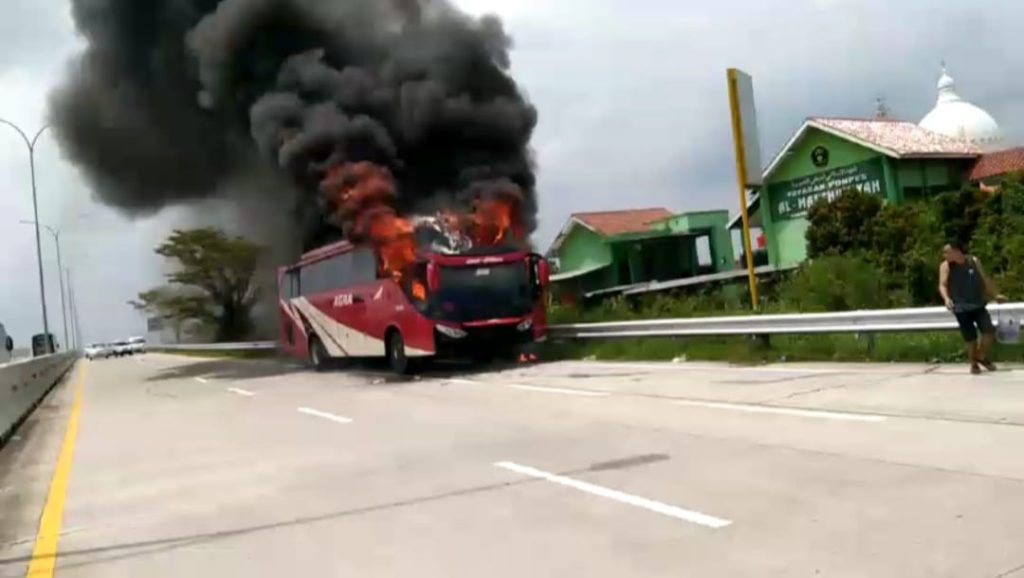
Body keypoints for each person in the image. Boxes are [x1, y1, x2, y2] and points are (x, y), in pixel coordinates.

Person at [939, 241, 1007, 374]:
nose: (944, 255)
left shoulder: (973, 261)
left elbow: (984, 279)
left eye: (947, 252)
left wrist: (995, 295)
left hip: (978, 304)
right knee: (971, 338)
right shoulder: (946, 266)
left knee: (989, 331)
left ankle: (980, 356)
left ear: (956, 251)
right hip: (960, 307)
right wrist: (946, 299)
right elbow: (942, 284)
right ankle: (973, 364)